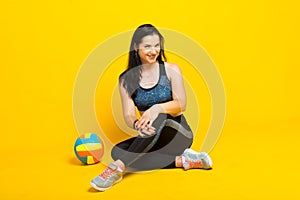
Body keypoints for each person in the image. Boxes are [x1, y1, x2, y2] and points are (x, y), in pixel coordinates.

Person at [90, 24, 213, 191]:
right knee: (117, 151)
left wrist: (156, 109)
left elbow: (181, 105)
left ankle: (117, 168)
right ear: (136, 47)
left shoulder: (171, 70)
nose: (154, 51)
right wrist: (136, 124)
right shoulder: (125, 79)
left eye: (157, 46)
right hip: (152, 137)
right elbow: (128, 115)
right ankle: (184, 161)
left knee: (158, 118)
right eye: (147, 46)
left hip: (177, 133)